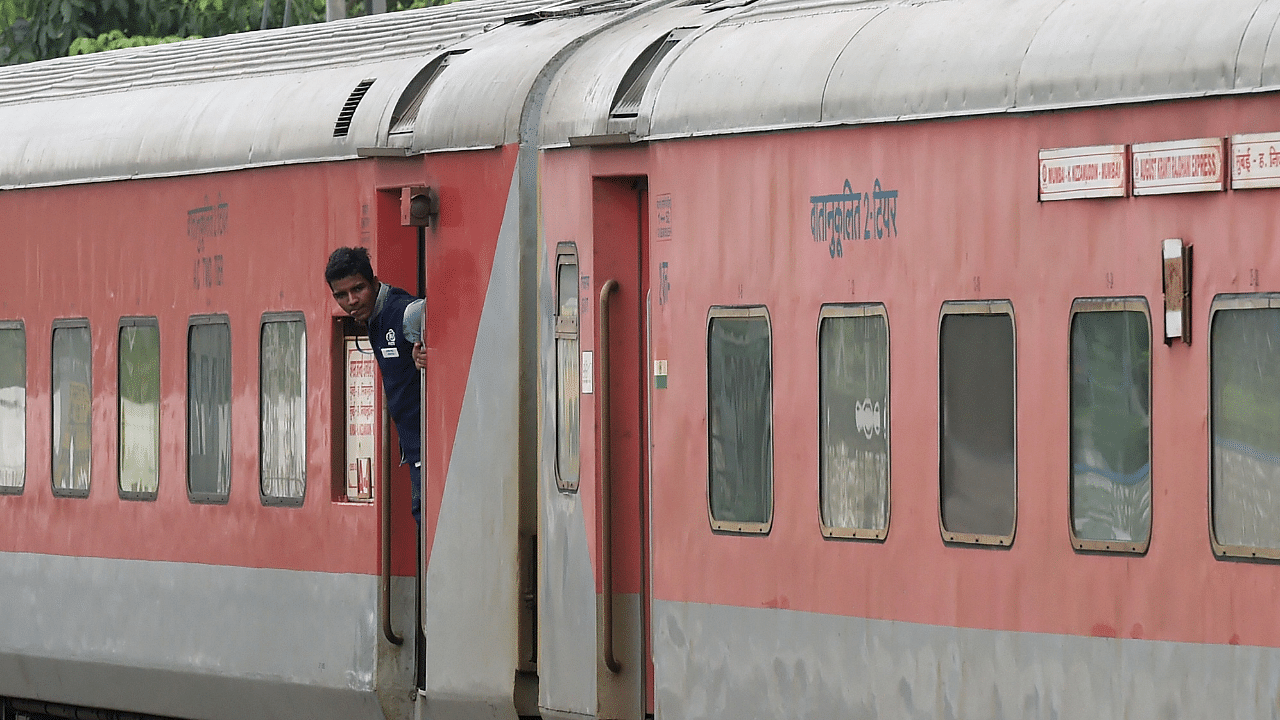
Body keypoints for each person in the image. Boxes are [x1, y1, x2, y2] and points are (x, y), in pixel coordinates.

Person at [325, 246, 424, 526]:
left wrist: (429, 350)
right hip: (415, 447)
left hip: (429, 446)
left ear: (374, 282)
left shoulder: (401, 311)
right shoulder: (373, 318)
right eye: (341, 295)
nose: (352, 300)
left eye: (358, 289)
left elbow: (429, 312)